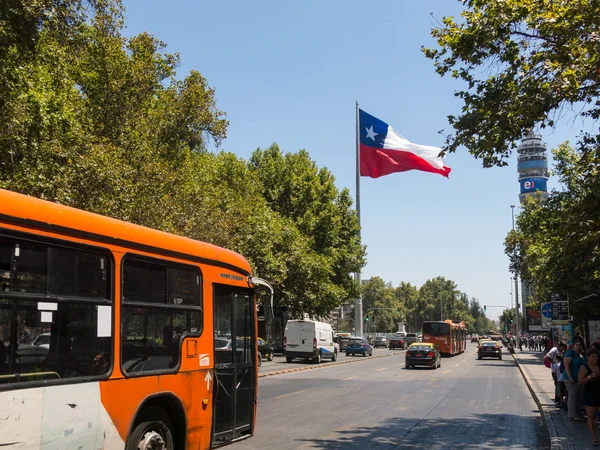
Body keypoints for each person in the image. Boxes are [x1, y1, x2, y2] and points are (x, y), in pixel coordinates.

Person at [579, 348, 600, 446]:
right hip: (589, 394)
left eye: (597, 356)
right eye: (593, 357)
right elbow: (580, 381)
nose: (596, 358)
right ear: (588, 357)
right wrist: (590, 377)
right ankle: (594, 438)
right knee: (591, 416)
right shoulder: (584, 368)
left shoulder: (599, 366)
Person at [563, 340, 587, 421]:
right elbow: (566, 365)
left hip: (580, 379)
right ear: (573, 345)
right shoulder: (570, 353)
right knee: (573, 396)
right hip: (571, 379)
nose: (578, 346)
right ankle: (572, 415)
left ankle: (578, 413)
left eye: (580, 345)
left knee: (578, 397)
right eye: (577, 345)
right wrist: (570, 377)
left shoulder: (581, 354)